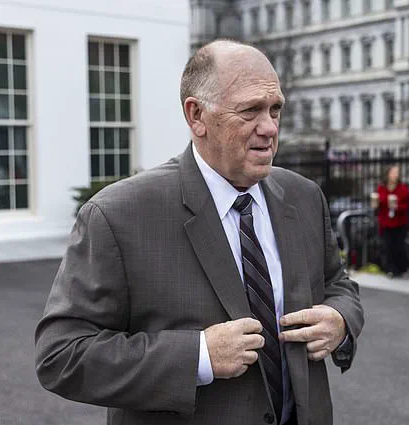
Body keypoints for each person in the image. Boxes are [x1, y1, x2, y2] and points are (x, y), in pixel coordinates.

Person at [34, 40, 364, 425]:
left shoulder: (303, 196)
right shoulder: (118, 215)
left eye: (275, 109)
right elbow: (61, 355)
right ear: (197, 116)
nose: (270, 127)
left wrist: (340, 320)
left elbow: (337, 284)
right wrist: (199, 356)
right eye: (250, 110)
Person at [375, 165, 409, 278]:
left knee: (399, 246)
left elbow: (407, 205)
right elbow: (379, 203)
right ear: (388, 174)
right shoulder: (382, 188)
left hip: (399, 222)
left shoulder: (402, 188)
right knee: (387, 246)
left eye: (397, 172)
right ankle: (390, 269)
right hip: (386, 222)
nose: (396, 175)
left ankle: (401, 268)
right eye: (393, 172)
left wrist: (397, 207)